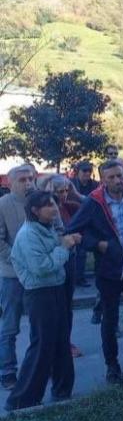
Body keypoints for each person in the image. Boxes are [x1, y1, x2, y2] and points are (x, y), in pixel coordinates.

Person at [65, 160, 123, 383]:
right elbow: (73, 231)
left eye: (120, 176)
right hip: (109, 273)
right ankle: (113, 368)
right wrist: (97, 244)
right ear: (103, 180)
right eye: (112, 178)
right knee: (110, 320)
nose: (118, 181)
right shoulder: (94, 202)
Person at [4, 191, 81, 411]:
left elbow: (54, 252)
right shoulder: (28, 235)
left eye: (55, 204)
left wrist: (67, 242)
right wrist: (64, 247)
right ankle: (21, 400)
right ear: (35, 211)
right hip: (40, 293)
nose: (54, 208)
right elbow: (42, 268)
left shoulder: (46, 229)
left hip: (55, 290)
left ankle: (62, 390)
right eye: (48, 205)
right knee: (42, 345)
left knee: (60, 342)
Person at [0, 165, 37, 390]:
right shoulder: (3, 205)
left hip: (37, 274)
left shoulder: (38, 201)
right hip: (12, 275)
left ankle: (37, 367)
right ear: (10, 182)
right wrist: (17, 259)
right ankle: (7, 371)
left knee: (39, 324)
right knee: (10, 325)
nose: (28, 183)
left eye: (30, 179)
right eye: (22, 179)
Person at [47, 176, 83, 358]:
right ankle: (55, 344)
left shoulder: (69, 206)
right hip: (55, 260)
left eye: (66, 190)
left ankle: (66, 341)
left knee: (67, 304)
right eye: (59, 191)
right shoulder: (47, 210)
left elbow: (88, 204)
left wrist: (75, 192)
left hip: (70, 259)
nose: (64, 194)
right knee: (55, 305)